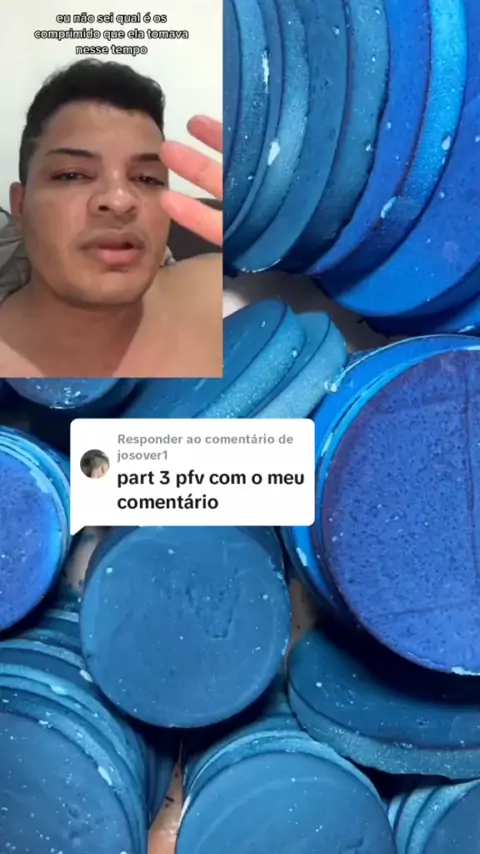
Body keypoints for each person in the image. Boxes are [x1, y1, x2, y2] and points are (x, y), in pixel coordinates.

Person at [0, 60, 222, 379]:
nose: (119, 201)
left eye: (146, 178)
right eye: (72, 175)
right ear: (20, 206)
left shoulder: (226, 297)